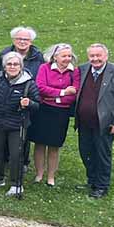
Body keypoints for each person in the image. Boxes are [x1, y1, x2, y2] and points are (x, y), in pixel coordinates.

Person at [76, 43, 114, 199]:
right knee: (86, 152)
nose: (95, 59)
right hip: (84, 121)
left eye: (98, 55)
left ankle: (101, 186)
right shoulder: (83, 69)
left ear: (106, 56)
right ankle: (92, 180)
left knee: (102, 154)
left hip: (105, 123)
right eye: (92, 56)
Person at [0, 51, 41, 197]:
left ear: (21, 66)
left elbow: (37, 105)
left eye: (16, 64)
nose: (12, 67)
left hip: (17, 125)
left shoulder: (28, 83)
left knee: (16, 155)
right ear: (4, 66)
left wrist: (29, 103)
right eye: (9, 64)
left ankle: (16, 184)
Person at [32, 43, 80, 187]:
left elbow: (74, 94)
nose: (67, 58)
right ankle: (39, 174)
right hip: (43, 110)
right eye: (64, 56)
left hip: (61, 112)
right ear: (55, 57)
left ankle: (51, 176)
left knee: (54, 145)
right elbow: (40, 88)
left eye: (69, 56)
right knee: (40, 143)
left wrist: (53, 95)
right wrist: (63, 92)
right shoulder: (44, 68)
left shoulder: (74, 72)